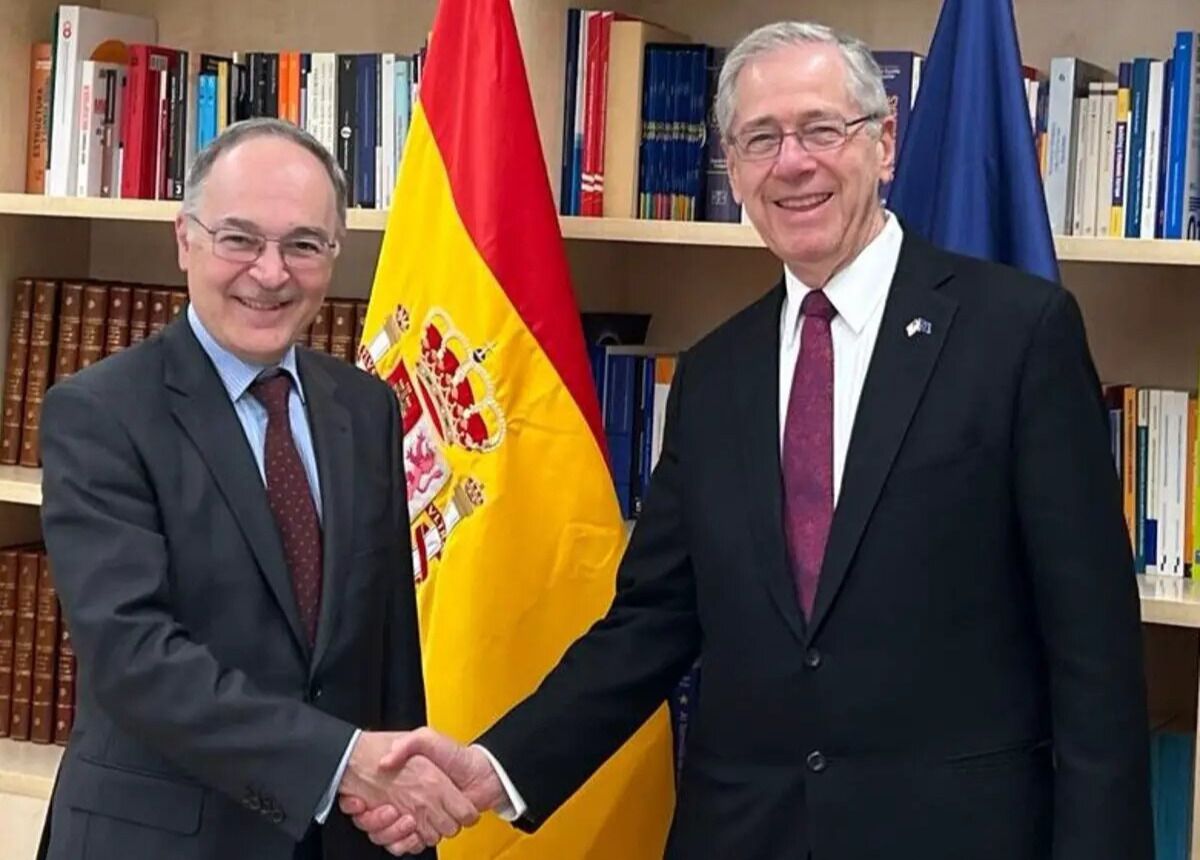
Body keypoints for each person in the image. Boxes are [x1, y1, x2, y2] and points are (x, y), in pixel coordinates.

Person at [347, 20, 1154, 860]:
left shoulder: (1017, 335)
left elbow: (1093, 646)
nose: (792, 163)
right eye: (760, 139)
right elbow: (652, 622)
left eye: (820, 130)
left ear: (883, 146)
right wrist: (495, 767)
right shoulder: (715, 372)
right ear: (733, 172)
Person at [37, 118, 475, 860]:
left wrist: (402, 808)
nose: (271, 273)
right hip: (163, 843)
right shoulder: (99, 413)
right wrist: (339, 761)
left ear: (334, 255)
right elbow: (134, 655)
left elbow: (389, 645)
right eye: (239, 239)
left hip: (344, 841)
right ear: (185, 239)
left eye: (303, 244)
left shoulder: (366, 408)